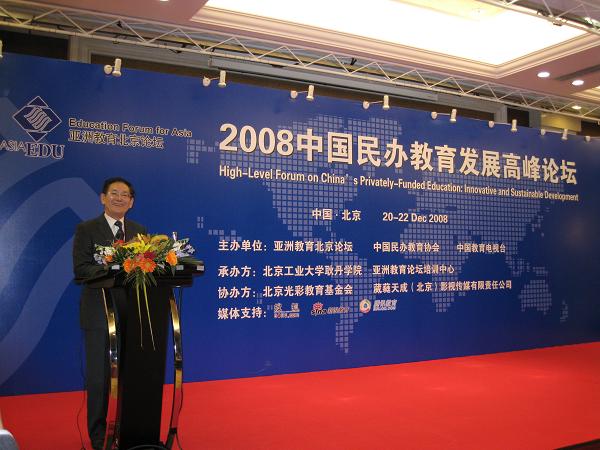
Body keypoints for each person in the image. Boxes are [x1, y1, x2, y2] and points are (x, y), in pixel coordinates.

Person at [72, 177, 146, 450]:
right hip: (98, 311)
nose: (119, 198)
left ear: (131, 202)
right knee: (99, 377)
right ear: (103, 198)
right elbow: (81, 269)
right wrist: (114, 265)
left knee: (129, 374)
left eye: (125, 195)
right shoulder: (87, 229)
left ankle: (126, 431)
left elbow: (146, 268)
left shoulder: (139, 231)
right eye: (114, 193)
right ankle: (99, 436)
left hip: (131, 310)